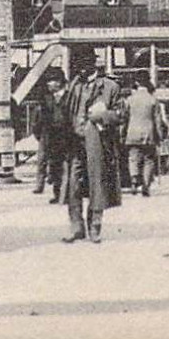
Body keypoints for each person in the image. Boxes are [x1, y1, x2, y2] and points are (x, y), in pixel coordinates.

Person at [60, 51, 127, 244]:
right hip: (75, 143)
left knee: (97, 186)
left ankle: (95, 227)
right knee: (72, 185)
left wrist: (102, 116)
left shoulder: (109, 87)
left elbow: (121, 114)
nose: (80, 69)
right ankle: (76, 227)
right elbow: (66, 111)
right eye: (78, 66)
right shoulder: (74, 86)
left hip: (97, 143)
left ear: (93, 66)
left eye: (84, 65)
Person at [123, 75, 161, 196]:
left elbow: (124, 118)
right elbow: (158, 120)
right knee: (148, 160)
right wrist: (159, 135)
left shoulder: (129, 99)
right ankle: (146, 185)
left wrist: (122, 133)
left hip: (132, 132)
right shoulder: (153, 100)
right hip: (148, 134)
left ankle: (134, 180)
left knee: (133, 157)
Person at [32, 74, 66, 201]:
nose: (48, 84)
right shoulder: (46, 99)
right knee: (46, 161)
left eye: (51, 81)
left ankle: (62, 192)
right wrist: (38, 133)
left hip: (62, 134)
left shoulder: (67, 97)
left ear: (59, 82)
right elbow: (37, 118)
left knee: (60, 163)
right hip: (48, 133)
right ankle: (49, 189)